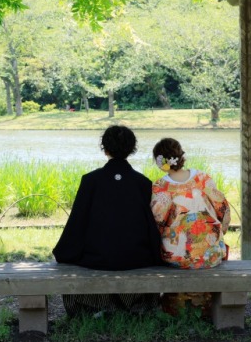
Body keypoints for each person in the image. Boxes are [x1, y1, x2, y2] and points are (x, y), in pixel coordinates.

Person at [53, 125, 163, 315]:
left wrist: (65, 251)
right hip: (135, 257)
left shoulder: (90, 180)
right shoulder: (142, 183)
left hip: (97, 257)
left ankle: (96, 306)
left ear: (105, 149)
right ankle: (132, 306)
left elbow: (77, 224)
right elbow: (149, 225)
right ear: (131, 149)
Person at [150, 137, 231, 315]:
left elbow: (157, 220)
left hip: (178, 256)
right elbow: (223, 209)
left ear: (159, 161)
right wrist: (218, 233)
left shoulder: (161, 187)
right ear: (180, 156)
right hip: (210, 253)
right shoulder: (203, 178)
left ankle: (176, 305)